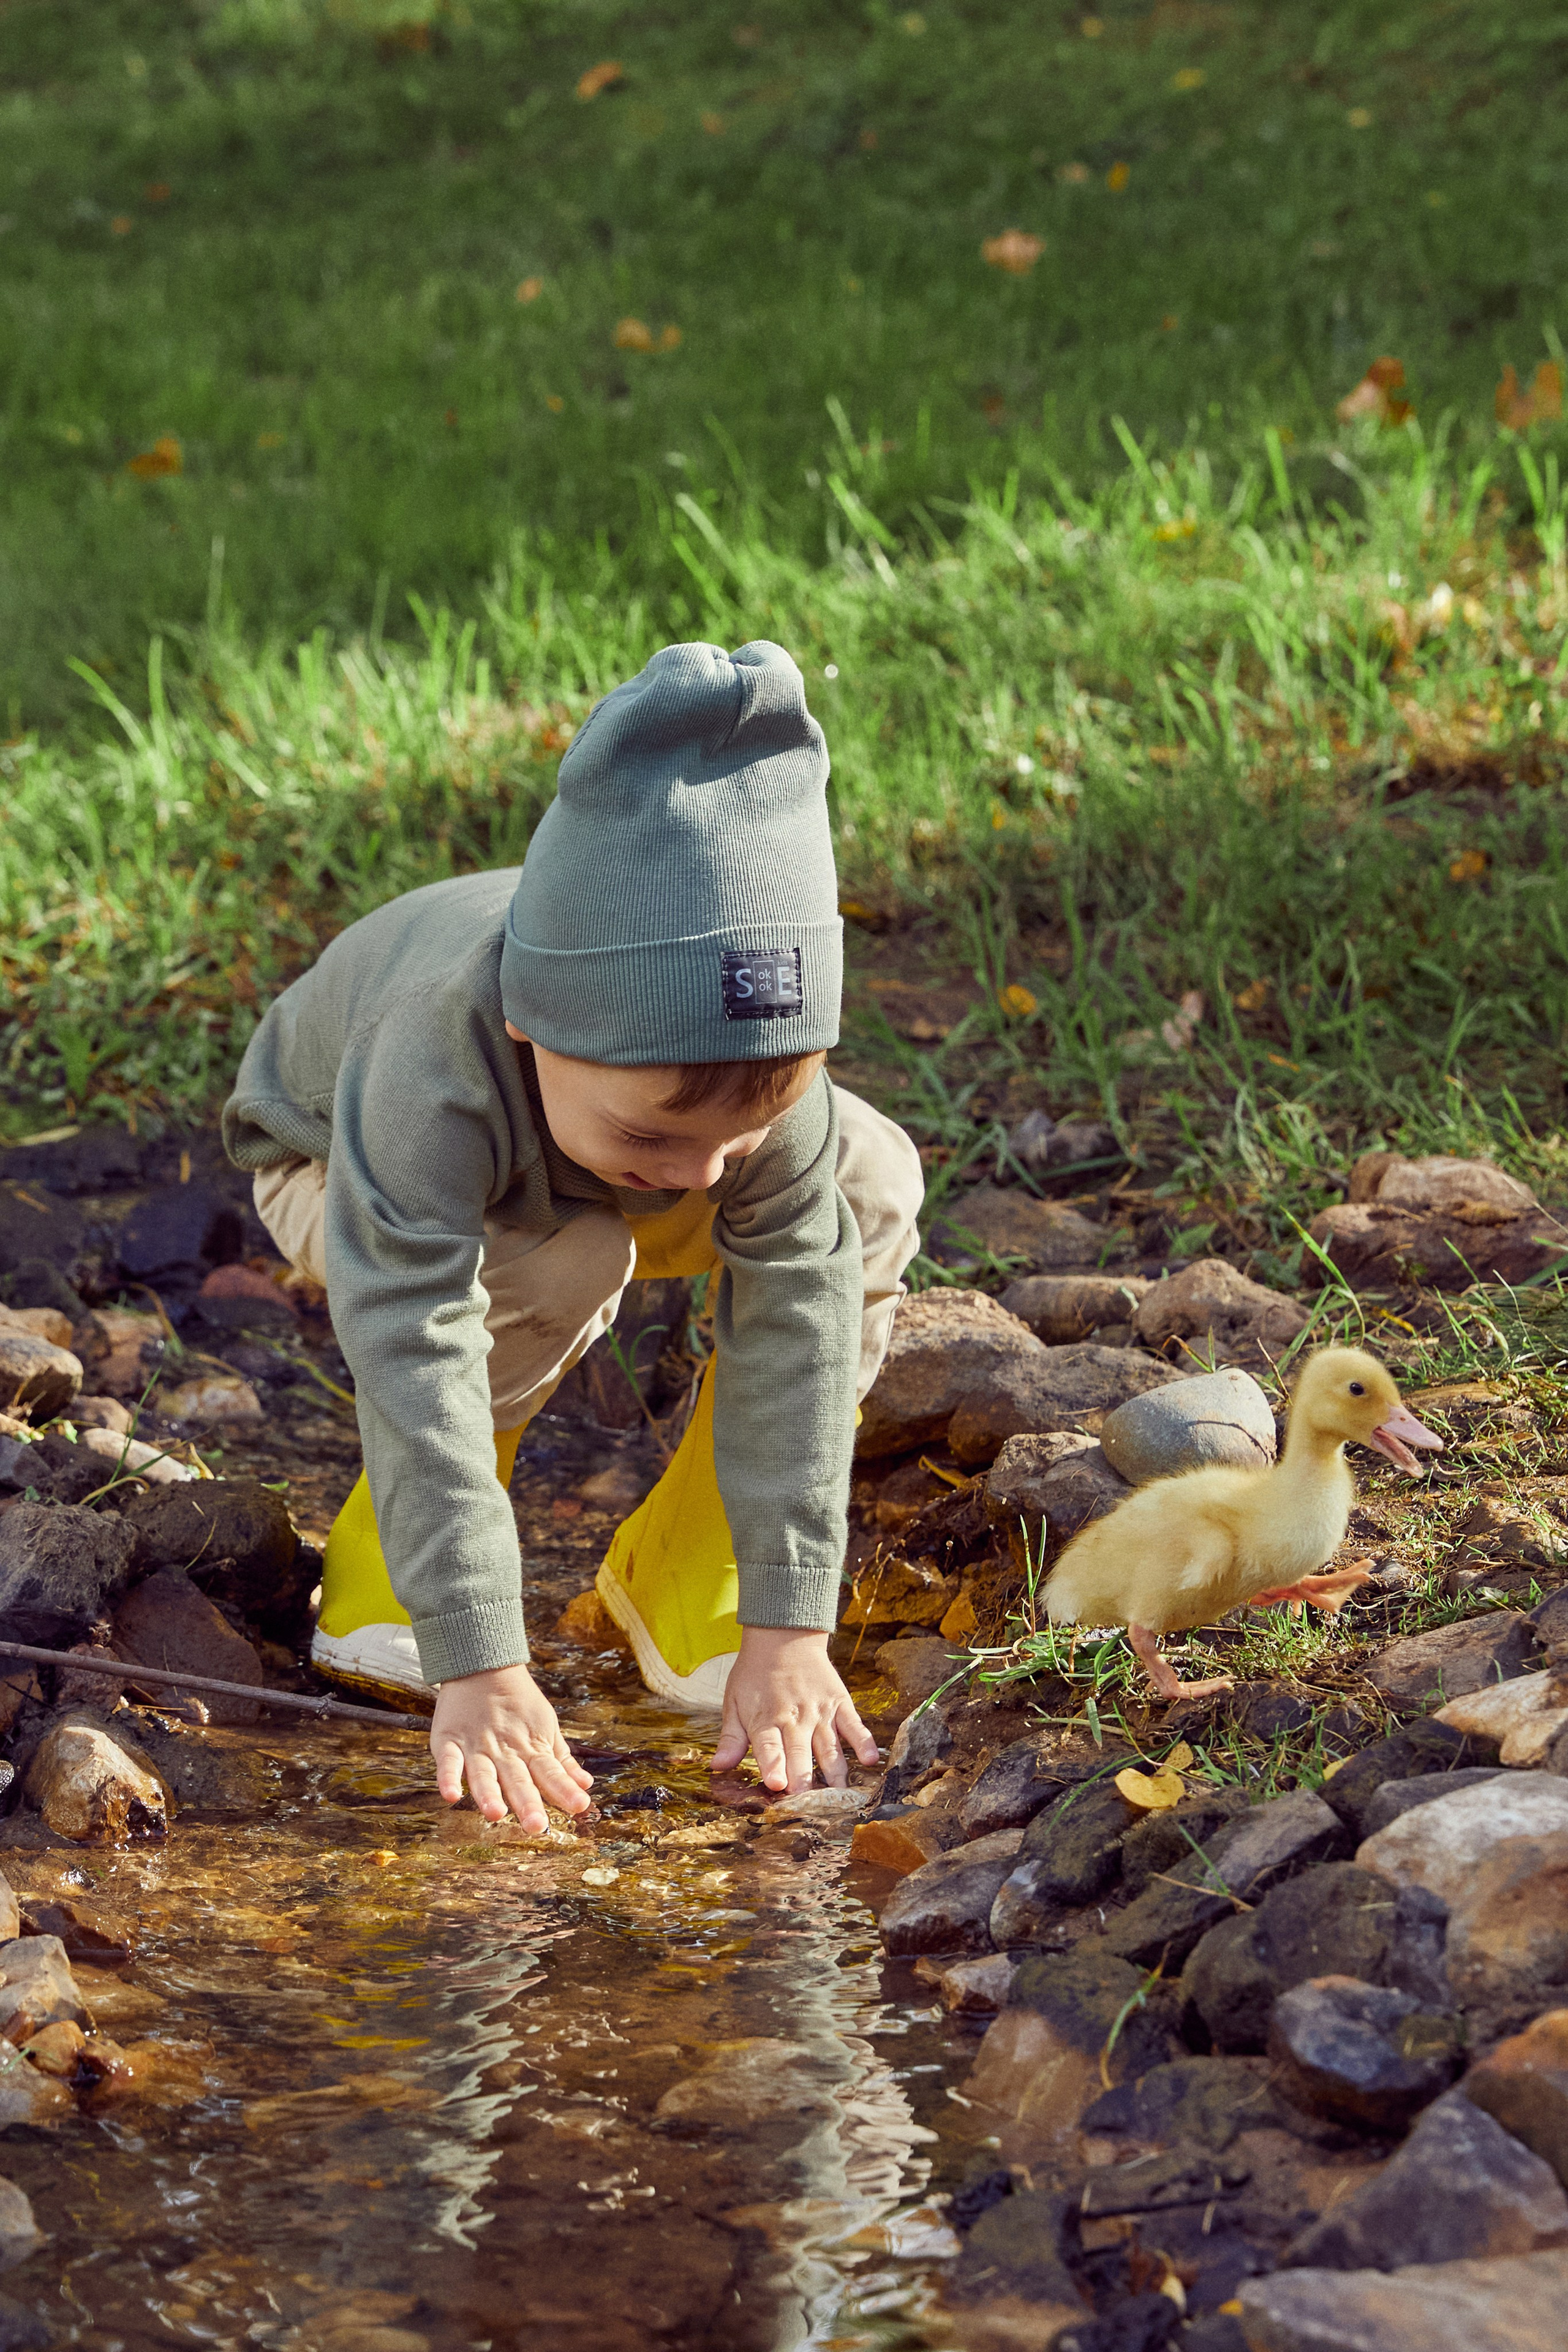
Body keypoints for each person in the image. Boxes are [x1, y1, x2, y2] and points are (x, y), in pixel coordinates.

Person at [222, 639, 924, 1832]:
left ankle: (689, 1571)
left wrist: (788, 1624)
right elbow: (414, 1332)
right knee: (570, 1253)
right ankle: (390, 1571)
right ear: (529, 1024)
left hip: (565, 1154)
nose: (700, 1180)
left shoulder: (735, 1091)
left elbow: (800, 1318)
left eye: (737, 1143)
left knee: (865, 1180)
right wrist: (481, 1663)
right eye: (658, 1137)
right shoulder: (431, 1063)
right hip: (334, 1165)